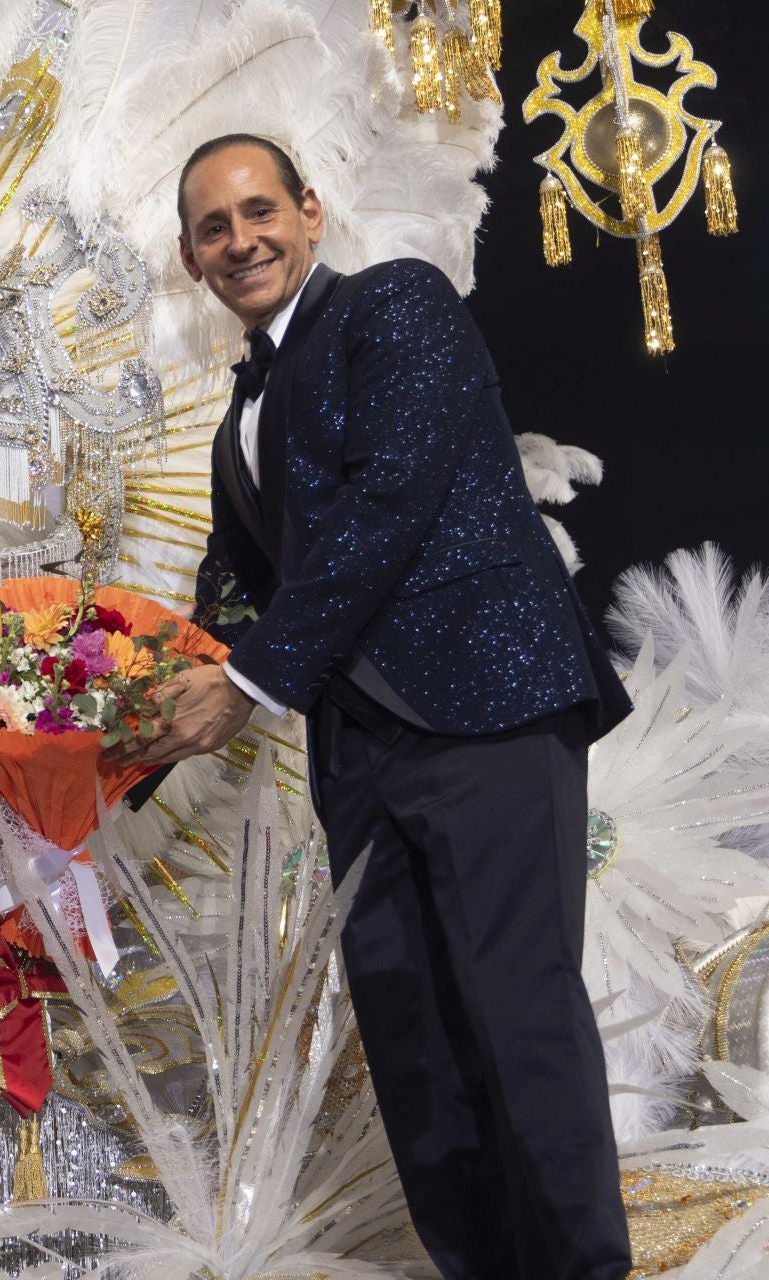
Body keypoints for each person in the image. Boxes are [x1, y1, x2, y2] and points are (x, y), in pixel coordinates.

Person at [122, 133, 633, 1279]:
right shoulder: (233, 423)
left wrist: (248, 685)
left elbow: (389, 501)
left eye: (260, 211)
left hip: (488, 709)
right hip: (361, 750)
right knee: (415, 1043)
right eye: (214, 227)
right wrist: (105, 743)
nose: (242, 239)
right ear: (193, 256)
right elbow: (232, 598)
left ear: (309, 211)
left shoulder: (397, 303)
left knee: (518, 1013)